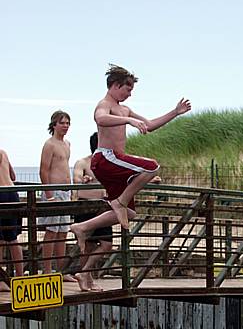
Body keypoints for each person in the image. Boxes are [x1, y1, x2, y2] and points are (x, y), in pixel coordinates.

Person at [70, 64, 191, 253]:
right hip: (105, 157)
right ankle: (119, 202)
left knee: (131, 213)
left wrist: (174, 112)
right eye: (128, 89)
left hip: (113, 162)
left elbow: (149, 125)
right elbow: (100, 119)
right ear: (116, 85)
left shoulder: (124, 109)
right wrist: (128, 121)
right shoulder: (105, 104)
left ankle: (83, 227)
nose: (130, 94)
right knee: (152, 167)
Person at [38, 110, 77, 281]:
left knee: (63, 232)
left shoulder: (67, 144)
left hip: (65, 192)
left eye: (68, 123)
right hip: (53, 192)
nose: (66, 126)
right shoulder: (49, 144)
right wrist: (49, 195)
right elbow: (43, 170)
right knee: (51, 232)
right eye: (62, 123)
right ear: (54, 124)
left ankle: (61, 271)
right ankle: (47, 270)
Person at [72, 132, 113, 291]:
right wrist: (84, 179)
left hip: (102, 207)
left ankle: (84, 274)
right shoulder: (83, 162)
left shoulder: (108, 164)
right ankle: (87, 280)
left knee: (106, 244)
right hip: (85, 207)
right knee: (87, 246)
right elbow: (76, 179)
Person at [0, 149, 24, 291]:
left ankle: (1, 281)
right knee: (13, 239)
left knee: (0, 241)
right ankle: (20, 277)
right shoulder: (3, 152)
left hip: (0, 194)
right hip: (12, 193)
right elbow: (13, 176)